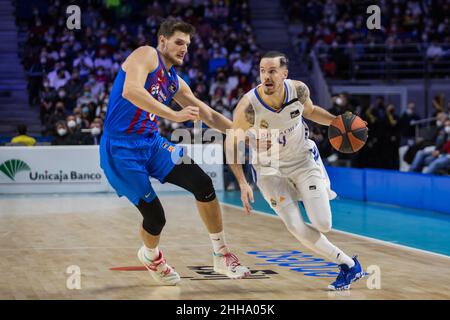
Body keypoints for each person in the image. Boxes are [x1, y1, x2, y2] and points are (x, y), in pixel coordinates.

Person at [100, 19, 250, 286]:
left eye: (188, 45)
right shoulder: (146, 55)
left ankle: (221, 253)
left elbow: (209, 114)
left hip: (152, 144)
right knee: (156, 217)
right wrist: (173, 114)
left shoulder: (174, 82)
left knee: (202, 183)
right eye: (179, 42)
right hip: (120, 149)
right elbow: (131, 90)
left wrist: (244, 134)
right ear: (162, 41)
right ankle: (151, 256)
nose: (184, 49)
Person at [226, 51, 365, 291]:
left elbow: (310, 111)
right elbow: (231, 141)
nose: (266, 77)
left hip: (302, 161)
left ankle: (307, 192)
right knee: (295, 226)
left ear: (284, 74)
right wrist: (242, 181)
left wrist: (338, 123)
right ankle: (350, 265)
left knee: (323, 224)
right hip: (269, 170)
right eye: (262, 71)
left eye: (271, 71)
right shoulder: (248, 106)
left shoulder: (299, 91)